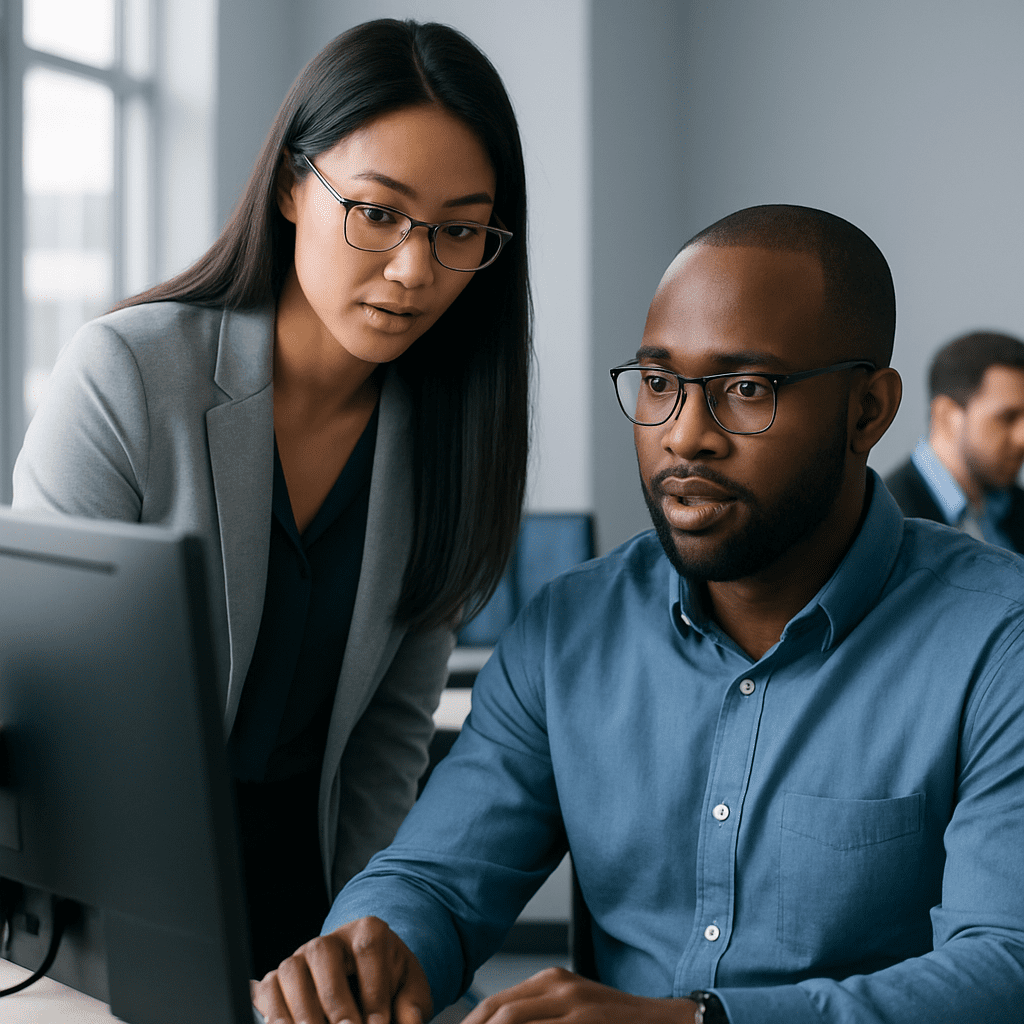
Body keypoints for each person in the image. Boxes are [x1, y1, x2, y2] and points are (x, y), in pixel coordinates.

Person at [254, 205, 1024, 1024]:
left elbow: (1005, 963)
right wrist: (369, 954)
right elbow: (437, 880)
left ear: (867, 410)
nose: (685, 437)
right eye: (658, 385)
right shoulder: (569, 630)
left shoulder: (998, 638)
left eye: (746, 390)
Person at [11, 19, 531, 976]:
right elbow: (50, 718)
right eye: (377, 212)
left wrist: (357, 946)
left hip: (310, 912)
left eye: (459, 230)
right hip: (107, 911)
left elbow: (387, 743)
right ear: (294, 186)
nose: (414, 270)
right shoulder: (126, 376)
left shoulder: (452, 439)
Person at [884, 330, 1024, 551]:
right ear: (946, 415)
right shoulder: (885, 521)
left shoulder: (1013, 505)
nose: (1021, 437)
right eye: (1008, 417)